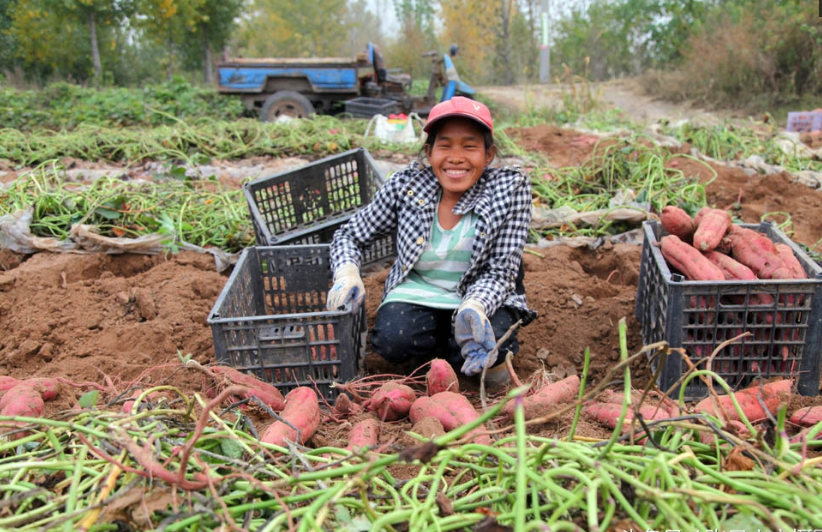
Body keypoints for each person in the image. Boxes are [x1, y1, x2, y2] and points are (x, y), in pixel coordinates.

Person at [326, 96, 535, 389]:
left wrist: (474, 305)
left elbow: (502, 271)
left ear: (488, 155)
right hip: (419, 293)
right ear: (429, 152)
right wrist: (347, 272)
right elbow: (350, 234)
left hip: (480, 294)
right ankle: (436, 352)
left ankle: (463, 349)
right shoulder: (406, 186)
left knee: (492, 347)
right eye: (445, 145)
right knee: (393, 341)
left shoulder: (509, 190)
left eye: (470, 146)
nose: (456, 157)